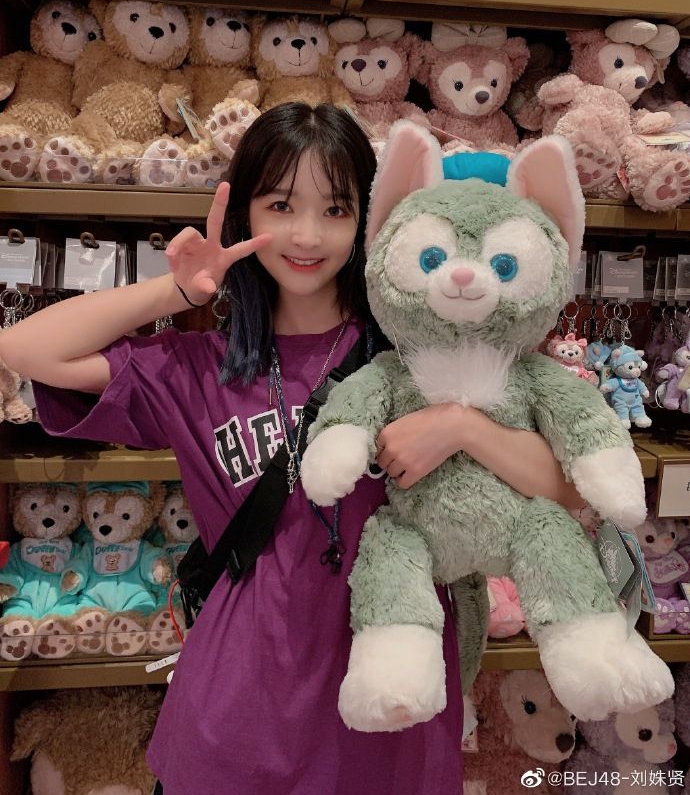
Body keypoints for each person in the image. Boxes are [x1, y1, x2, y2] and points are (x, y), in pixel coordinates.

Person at [0, 103, 584, 795]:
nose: (307, 235)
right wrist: (176, 289)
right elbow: (24, 349)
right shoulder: (201, 367)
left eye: (336, 210)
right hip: (238, 710)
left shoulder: (423, 359)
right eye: (281, 205)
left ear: (369, 224)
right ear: (247, 215)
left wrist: (461, 428)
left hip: (389, 703)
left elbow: (567, 493)